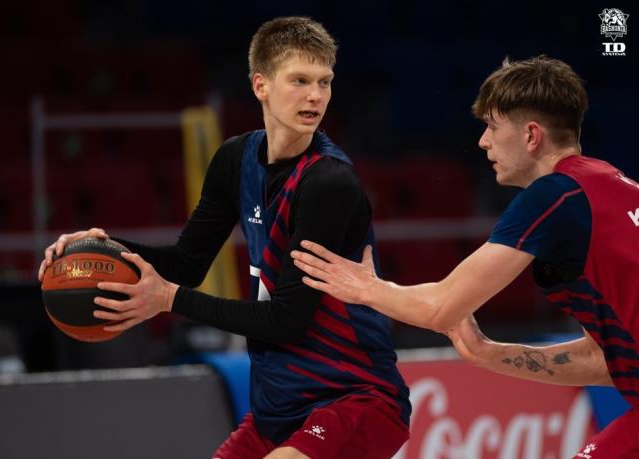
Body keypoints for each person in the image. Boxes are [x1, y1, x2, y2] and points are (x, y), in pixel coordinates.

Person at [38, 16, 410, 459]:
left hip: (356, 397)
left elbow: (287, 320)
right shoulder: (235, 159)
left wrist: (169, 298)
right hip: (278, 408)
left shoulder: (330, 184)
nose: (315, 95)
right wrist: (101, 247)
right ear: (261, 85)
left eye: (324, 82)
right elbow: (186, 264)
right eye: (300, 80)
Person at [290, 55, 639, 457]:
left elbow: (440, 308)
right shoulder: (612, 183)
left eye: (491, 126)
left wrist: (366, 289)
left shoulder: (555, 194)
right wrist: (490, 354)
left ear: (531, 135)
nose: (483, 141)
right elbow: (608, 361)